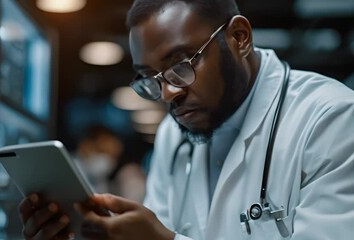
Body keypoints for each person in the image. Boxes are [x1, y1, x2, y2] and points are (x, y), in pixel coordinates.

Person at [18, 0, 354, 239]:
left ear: (239, 38)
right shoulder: (172, 135)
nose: (167, 94)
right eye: (150, 78)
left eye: (181, 64)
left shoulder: (331, 120)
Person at [73, 125, 146, 202]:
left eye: (113, 158)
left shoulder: (129, 172)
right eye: (101, 152)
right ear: (85, 145)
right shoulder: (75, 165)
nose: (108, 162)